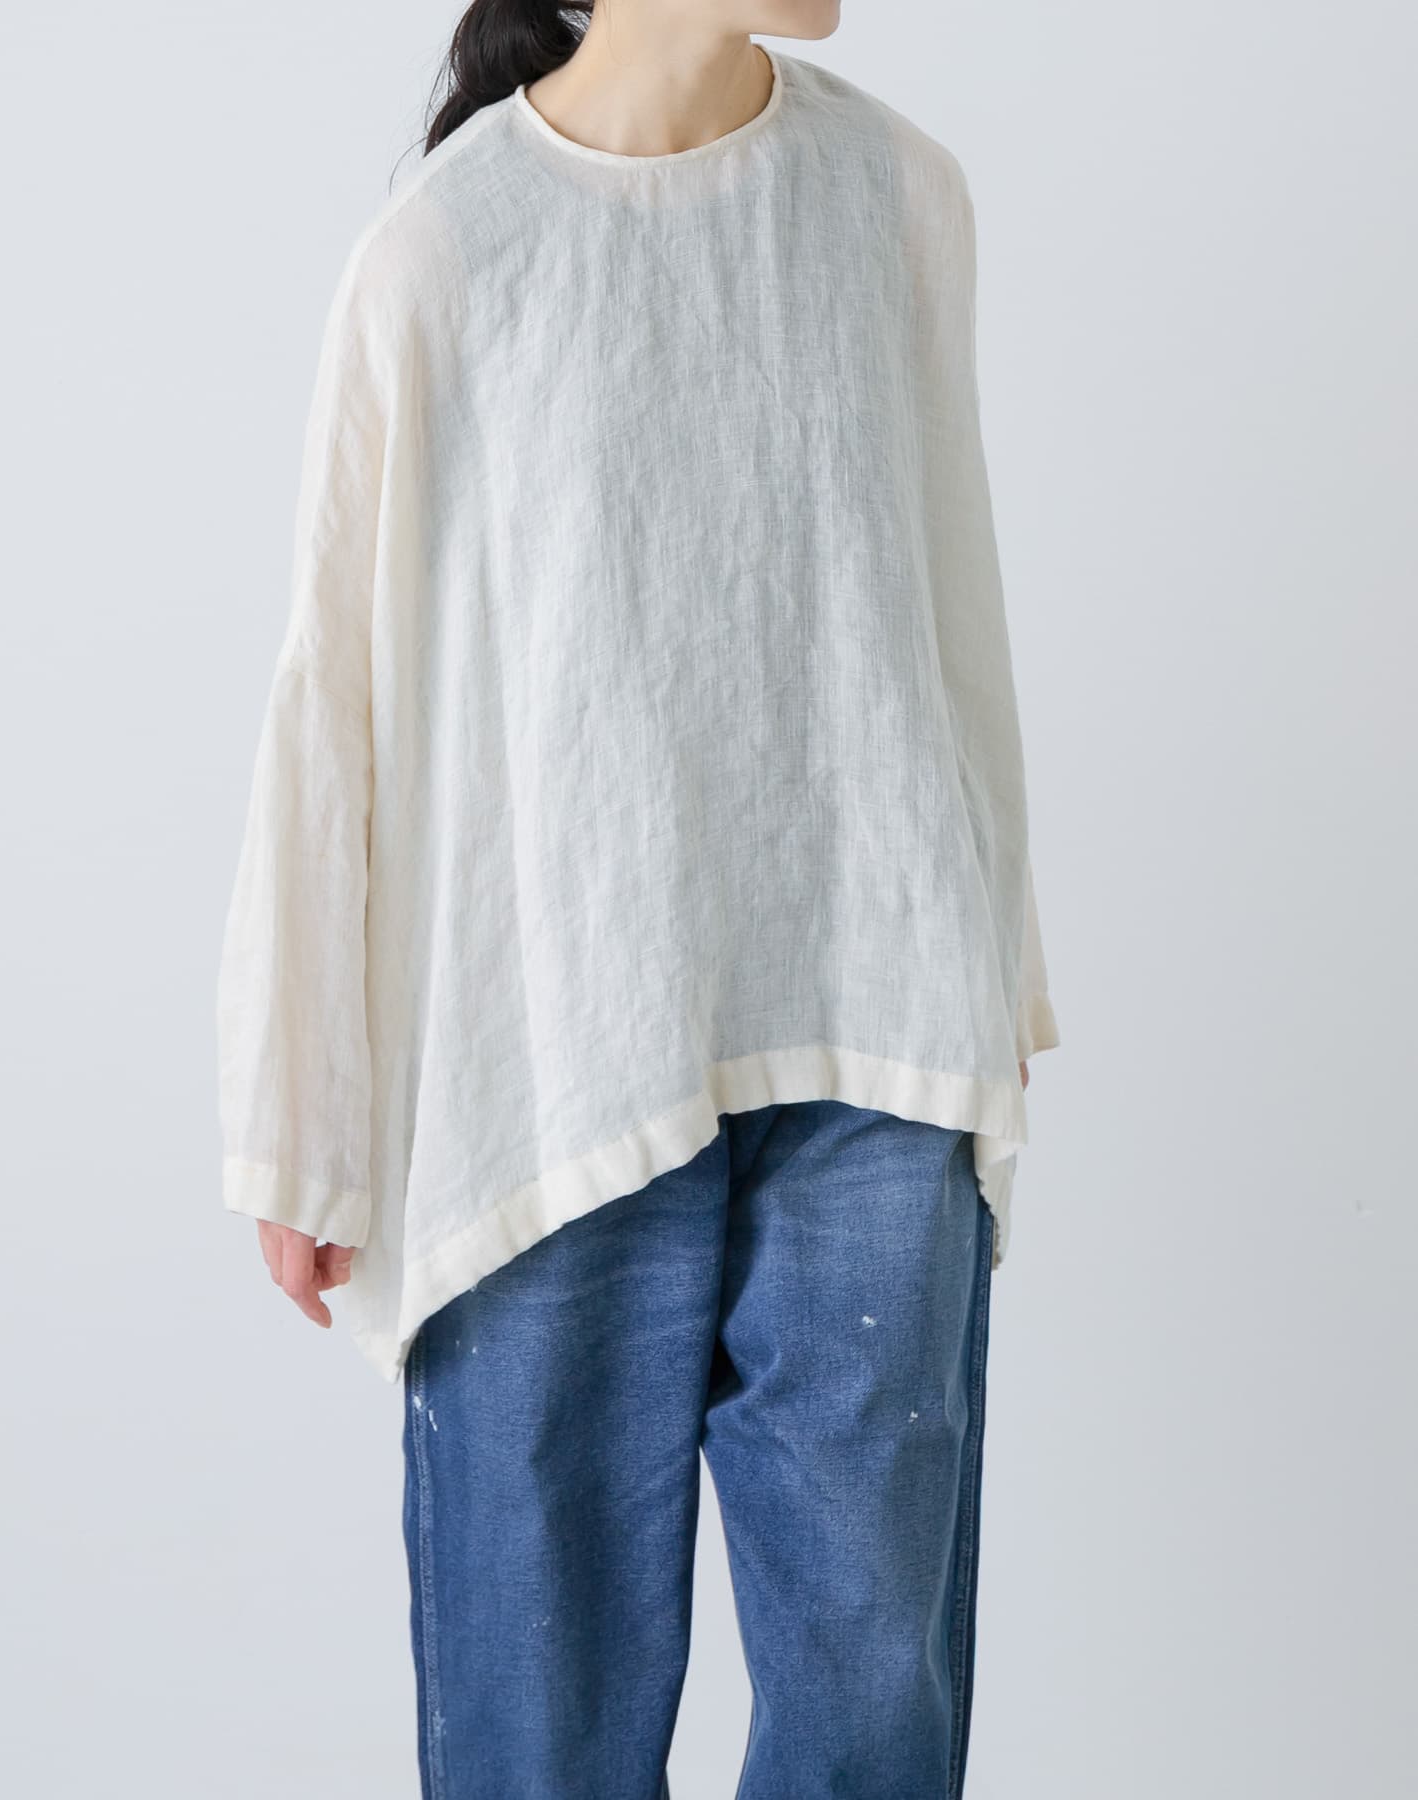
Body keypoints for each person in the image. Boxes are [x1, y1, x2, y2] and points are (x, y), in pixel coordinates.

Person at [215, 2, 1061, 1793]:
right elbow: (333, 687)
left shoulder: (899, 195)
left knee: (873, 1723)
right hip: (548, 1061)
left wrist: (996, 972)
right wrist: (304, 1106)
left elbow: (953, 608)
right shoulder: (446, 251)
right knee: (544, 1741)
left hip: (878, 1036)